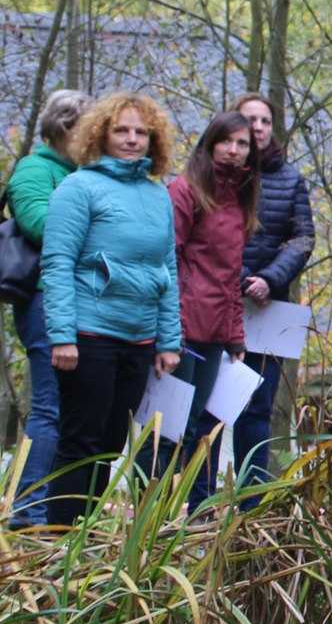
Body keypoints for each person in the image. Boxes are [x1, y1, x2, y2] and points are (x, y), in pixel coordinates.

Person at [39, 92, 182, 526]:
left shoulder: (158, 196)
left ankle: (85, 541)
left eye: (141, 131)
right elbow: (57, 261)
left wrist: (169, 340)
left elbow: (168, 270)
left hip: (138, 340)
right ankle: (58, 541)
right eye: (122, 129)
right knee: (80, 442)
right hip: (88, 335)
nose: (132, 139)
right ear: (100, 133)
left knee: (111, 445)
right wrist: (62, 335)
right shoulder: (78, 187)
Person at [164, 109, 259, 505]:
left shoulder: (240, 198)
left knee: (201, 427)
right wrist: (168, 331)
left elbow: (230, 274)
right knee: (170, 428)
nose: (234, 151)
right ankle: (153, 519)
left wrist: (236, 335)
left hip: (216, 332)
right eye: (227, 141)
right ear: (210, 142)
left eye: (243, 144)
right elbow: (166, 260)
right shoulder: (185, 191)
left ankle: (188, 514)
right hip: (182, 328)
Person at [5, 89, 87, 526]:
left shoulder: (83, 174)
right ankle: (27, 512)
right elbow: (39, 225)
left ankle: (57, 510)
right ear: (64, 128)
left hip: (80, 300)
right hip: (41, 300)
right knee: (49, 408)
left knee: (73, 412)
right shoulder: (34, 170)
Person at [232, 92, 314, 486]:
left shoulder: (290, 178)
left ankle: (250, 504)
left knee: (258, 408)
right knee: (214, 409)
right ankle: (200, 509)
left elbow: (302, 238)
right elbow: (207, 238)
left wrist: (270, 279)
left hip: (271, 308)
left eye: (265, 121)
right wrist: (244, 277)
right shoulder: (218, 174)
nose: (259, 128)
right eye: (251, 120)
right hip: (220, 303)